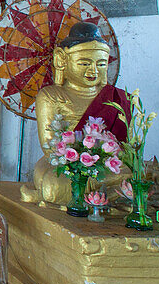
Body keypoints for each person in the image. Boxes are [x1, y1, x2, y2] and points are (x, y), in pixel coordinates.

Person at [20, 22, 129, 206]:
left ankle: (100, 196)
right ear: (62, 60)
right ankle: (116, 196)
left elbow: (127, 145)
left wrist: (104, 159)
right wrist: (81, 160)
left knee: (141, 175)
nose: (93, 70)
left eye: (100, 63)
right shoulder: (51, 96)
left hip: (108, 165)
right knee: (54, 186)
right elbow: (49, 146)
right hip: (65, 165)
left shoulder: (117, 97)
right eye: (84, 63)